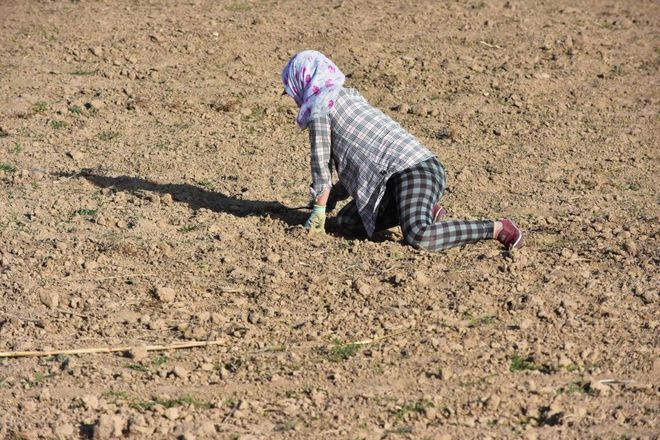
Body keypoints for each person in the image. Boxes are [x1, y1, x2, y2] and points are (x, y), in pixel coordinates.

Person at [281, 50, 523, 251]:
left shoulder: (320, 108)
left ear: (301, 82)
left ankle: (497, 228)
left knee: (419, 235)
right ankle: (422, 209)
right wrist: (332, 197)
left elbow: (320, 165)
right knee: (348, 222)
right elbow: (362, 162)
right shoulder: (347, 96)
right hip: (391, 180)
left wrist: (319, 210)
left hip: (414, 170)